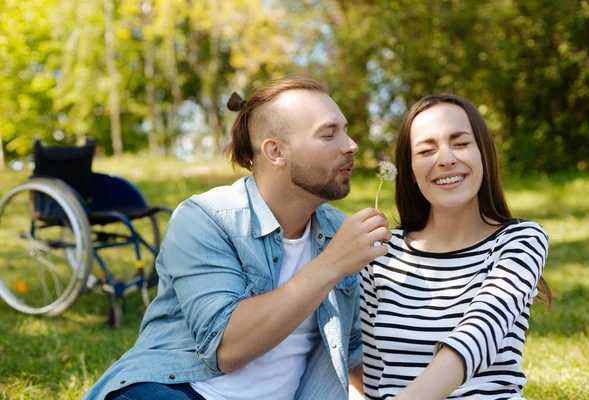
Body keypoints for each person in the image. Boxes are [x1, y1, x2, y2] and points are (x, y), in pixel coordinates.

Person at [83, 77, 392, 400]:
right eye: (329, 134)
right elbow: (226, 349)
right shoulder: (205, 218)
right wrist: (332, 264)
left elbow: (353, 351)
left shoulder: (338, 233)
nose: (351, 145)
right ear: (275, 152)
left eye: (345, 130)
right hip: (177, 389)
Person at [359, 93, 552, 400]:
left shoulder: (520, 241)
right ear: (409, 169)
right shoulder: (380, 253)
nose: (446, 159)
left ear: (483, 155)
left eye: (461, 143)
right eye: (426, 150)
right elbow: (368, 371)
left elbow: (476, 336)